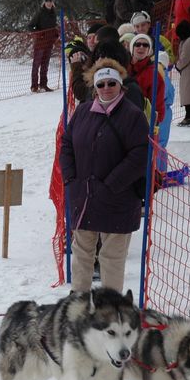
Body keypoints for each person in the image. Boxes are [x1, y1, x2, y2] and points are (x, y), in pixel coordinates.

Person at [59, 58, 148, 293]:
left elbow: (139, 156)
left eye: (111, 83)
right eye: (101, 84)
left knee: (111, 257)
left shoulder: (133, 115)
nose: (106, 88)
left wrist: (110, 185)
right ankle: (79, 306)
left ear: (121, 85)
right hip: (84, 196)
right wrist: (70, 179)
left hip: (118, 198)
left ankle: (111, 309)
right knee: (82, 253)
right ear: (94, 87)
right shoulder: (82, 112)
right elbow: (66, 144)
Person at [128, 33, 165, 124]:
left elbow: (158, 102)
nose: (141, 47)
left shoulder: (154, 73)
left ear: (149, 50)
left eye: (145, 45)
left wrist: (155, 120)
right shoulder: (123, 68)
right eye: (137, 44)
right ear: (132, 48)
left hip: (142, 120)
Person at [28, 0, 58, 93]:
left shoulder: (53, 13)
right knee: (36, 64)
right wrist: (39, 34)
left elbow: (53, 26)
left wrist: (56, 34)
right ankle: (34, 86)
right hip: (40, 43)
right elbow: (30, 26)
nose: (49, 3)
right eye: (47, 1)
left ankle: (43, 85)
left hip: (49, 43)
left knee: (45, 65)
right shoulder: (40, 13)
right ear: (44, 2)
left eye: (50, 1)